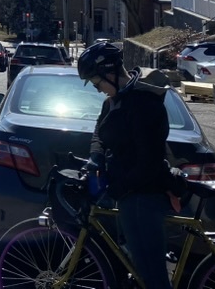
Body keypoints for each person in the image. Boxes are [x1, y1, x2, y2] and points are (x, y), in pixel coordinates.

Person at [78, 40, 185, 289]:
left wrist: (118, 188)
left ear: (111, 73)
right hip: (128, 194)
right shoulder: (114, 100)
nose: (97, 89)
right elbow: (99, 132)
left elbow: (150, 161)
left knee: (153, 277)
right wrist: (95, 157)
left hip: (143, 197)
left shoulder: (144, 104)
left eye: (96, 83)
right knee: (138, 270)